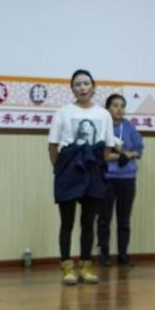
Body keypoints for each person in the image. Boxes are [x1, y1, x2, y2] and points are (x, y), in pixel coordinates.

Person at [48, 69, 116, 286]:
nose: (82, 88)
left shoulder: (104, 114)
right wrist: (59, 169)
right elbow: (52, 146)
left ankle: (86, 266)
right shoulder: (63, 112)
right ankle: (67, 267)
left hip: (93, 169)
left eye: (86, 83)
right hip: (69, 169)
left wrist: (100, 167)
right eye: (78, 84)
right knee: (66, 222)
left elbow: (107, 148)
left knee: (88, 222)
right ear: (72, 89)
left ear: (93, 87)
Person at [97, 94, 143, 268]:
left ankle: (123, 254)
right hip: (106, 178)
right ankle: (104, 254)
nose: (119, 109)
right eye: (115, 105)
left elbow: (139, 149)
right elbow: (101, 153)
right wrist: (120, 156)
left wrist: (128, 154)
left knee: (124, 219)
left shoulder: (129, 127)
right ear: (107, 108)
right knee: (104, 218)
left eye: (122, 106)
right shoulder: (102, 127)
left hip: (127, 179)